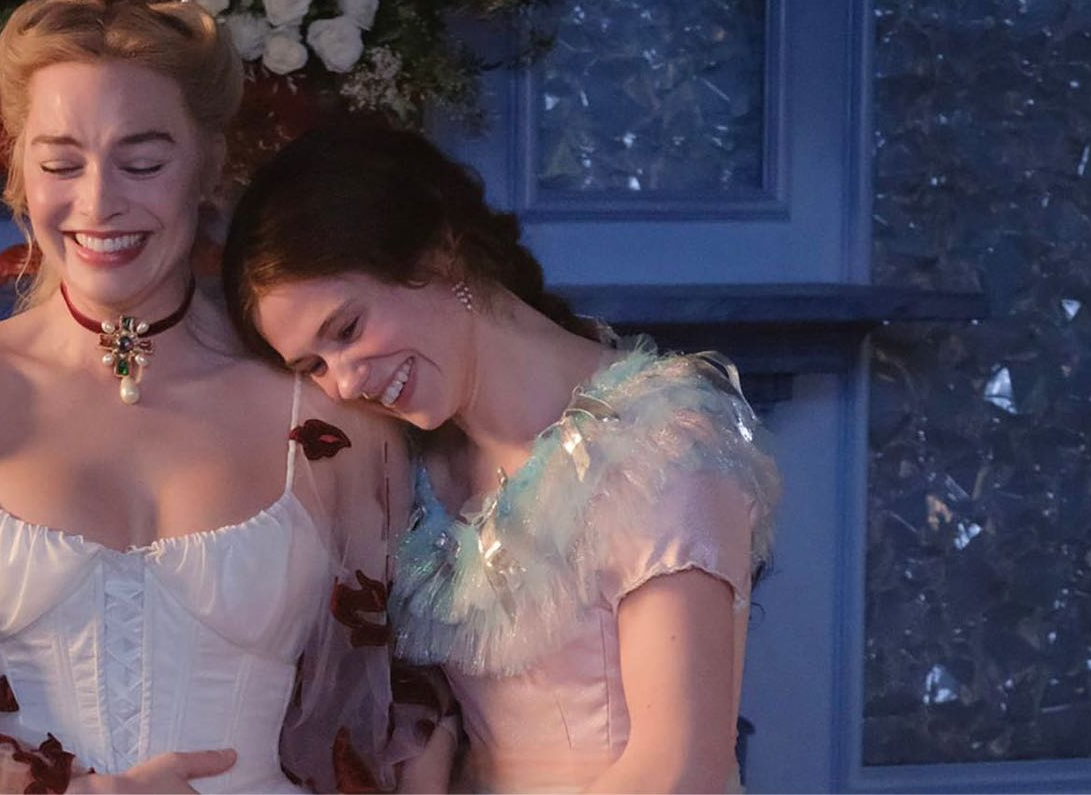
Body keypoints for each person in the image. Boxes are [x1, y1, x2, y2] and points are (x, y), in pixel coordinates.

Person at [0, 0, 418, 794]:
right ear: (18, 172)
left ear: (210, 164)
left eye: (143, 163)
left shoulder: (328, 410)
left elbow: (400, 721)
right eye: (61, 164)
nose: (99, 202)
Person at [221, 124, 782, 793]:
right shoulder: (419, 475)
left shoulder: (657, 439)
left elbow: (680, 768)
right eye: (313, 365)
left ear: (438, 252)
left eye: (347, 329)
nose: (343, 383)